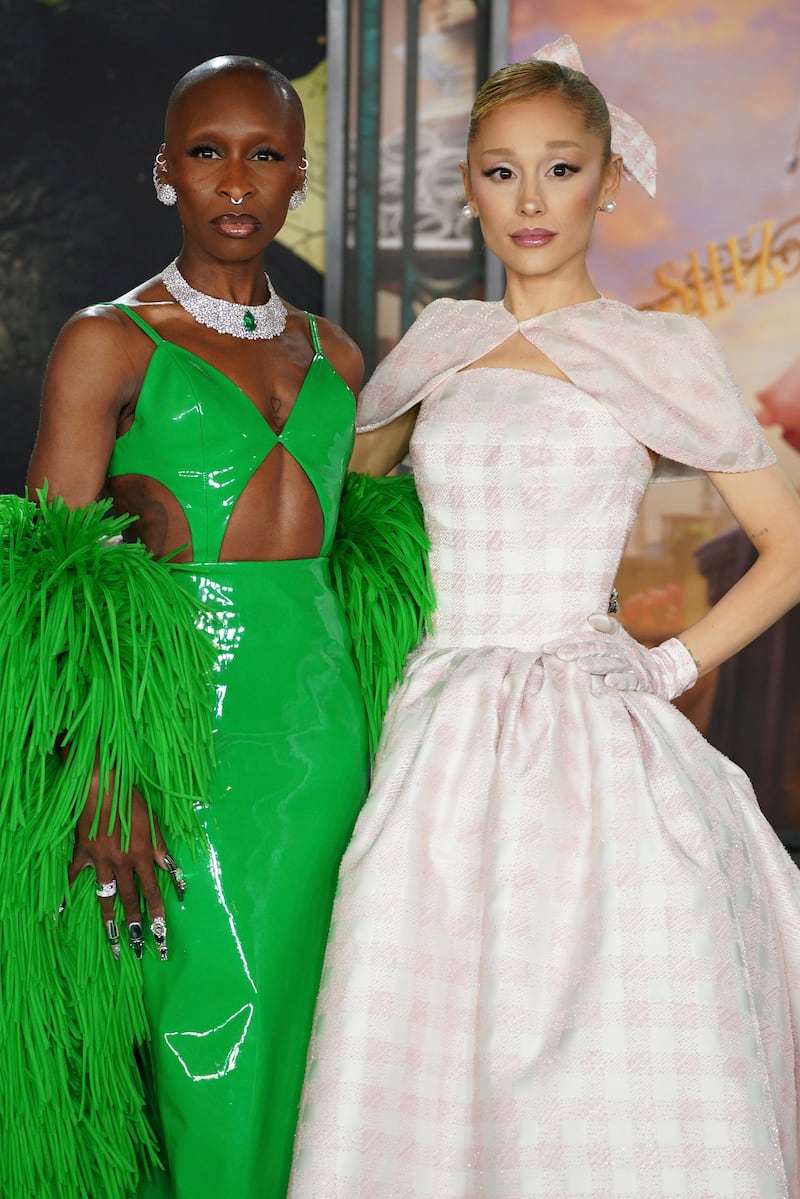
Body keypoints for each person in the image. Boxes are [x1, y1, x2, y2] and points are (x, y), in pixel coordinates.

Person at [287, 35, 800, 1198]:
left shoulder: (657, 349)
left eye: (561, 169)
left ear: (606, 180)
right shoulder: (435, 343)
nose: (529, 199)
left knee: (599, 1039)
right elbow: (349, 531)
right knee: (420, 1039)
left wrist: (665, 666)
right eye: (501, 169)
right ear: (467, 181)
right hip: (435, 732)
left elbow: (788, 547)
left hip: (586, 732)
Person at [7, 54, 421, 1199]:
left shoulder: (339, 357)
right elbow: (53, 583)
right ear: (163, 171)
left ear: (298, 178)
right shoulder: (109, 340)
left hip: (325, 735)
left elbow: (364, 563)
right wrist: (102, 775)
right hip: (178, 732)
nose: (236, 179)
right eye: (207, 151)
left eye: (266, 153)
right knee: (203, 1023)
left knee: (317, 1023)